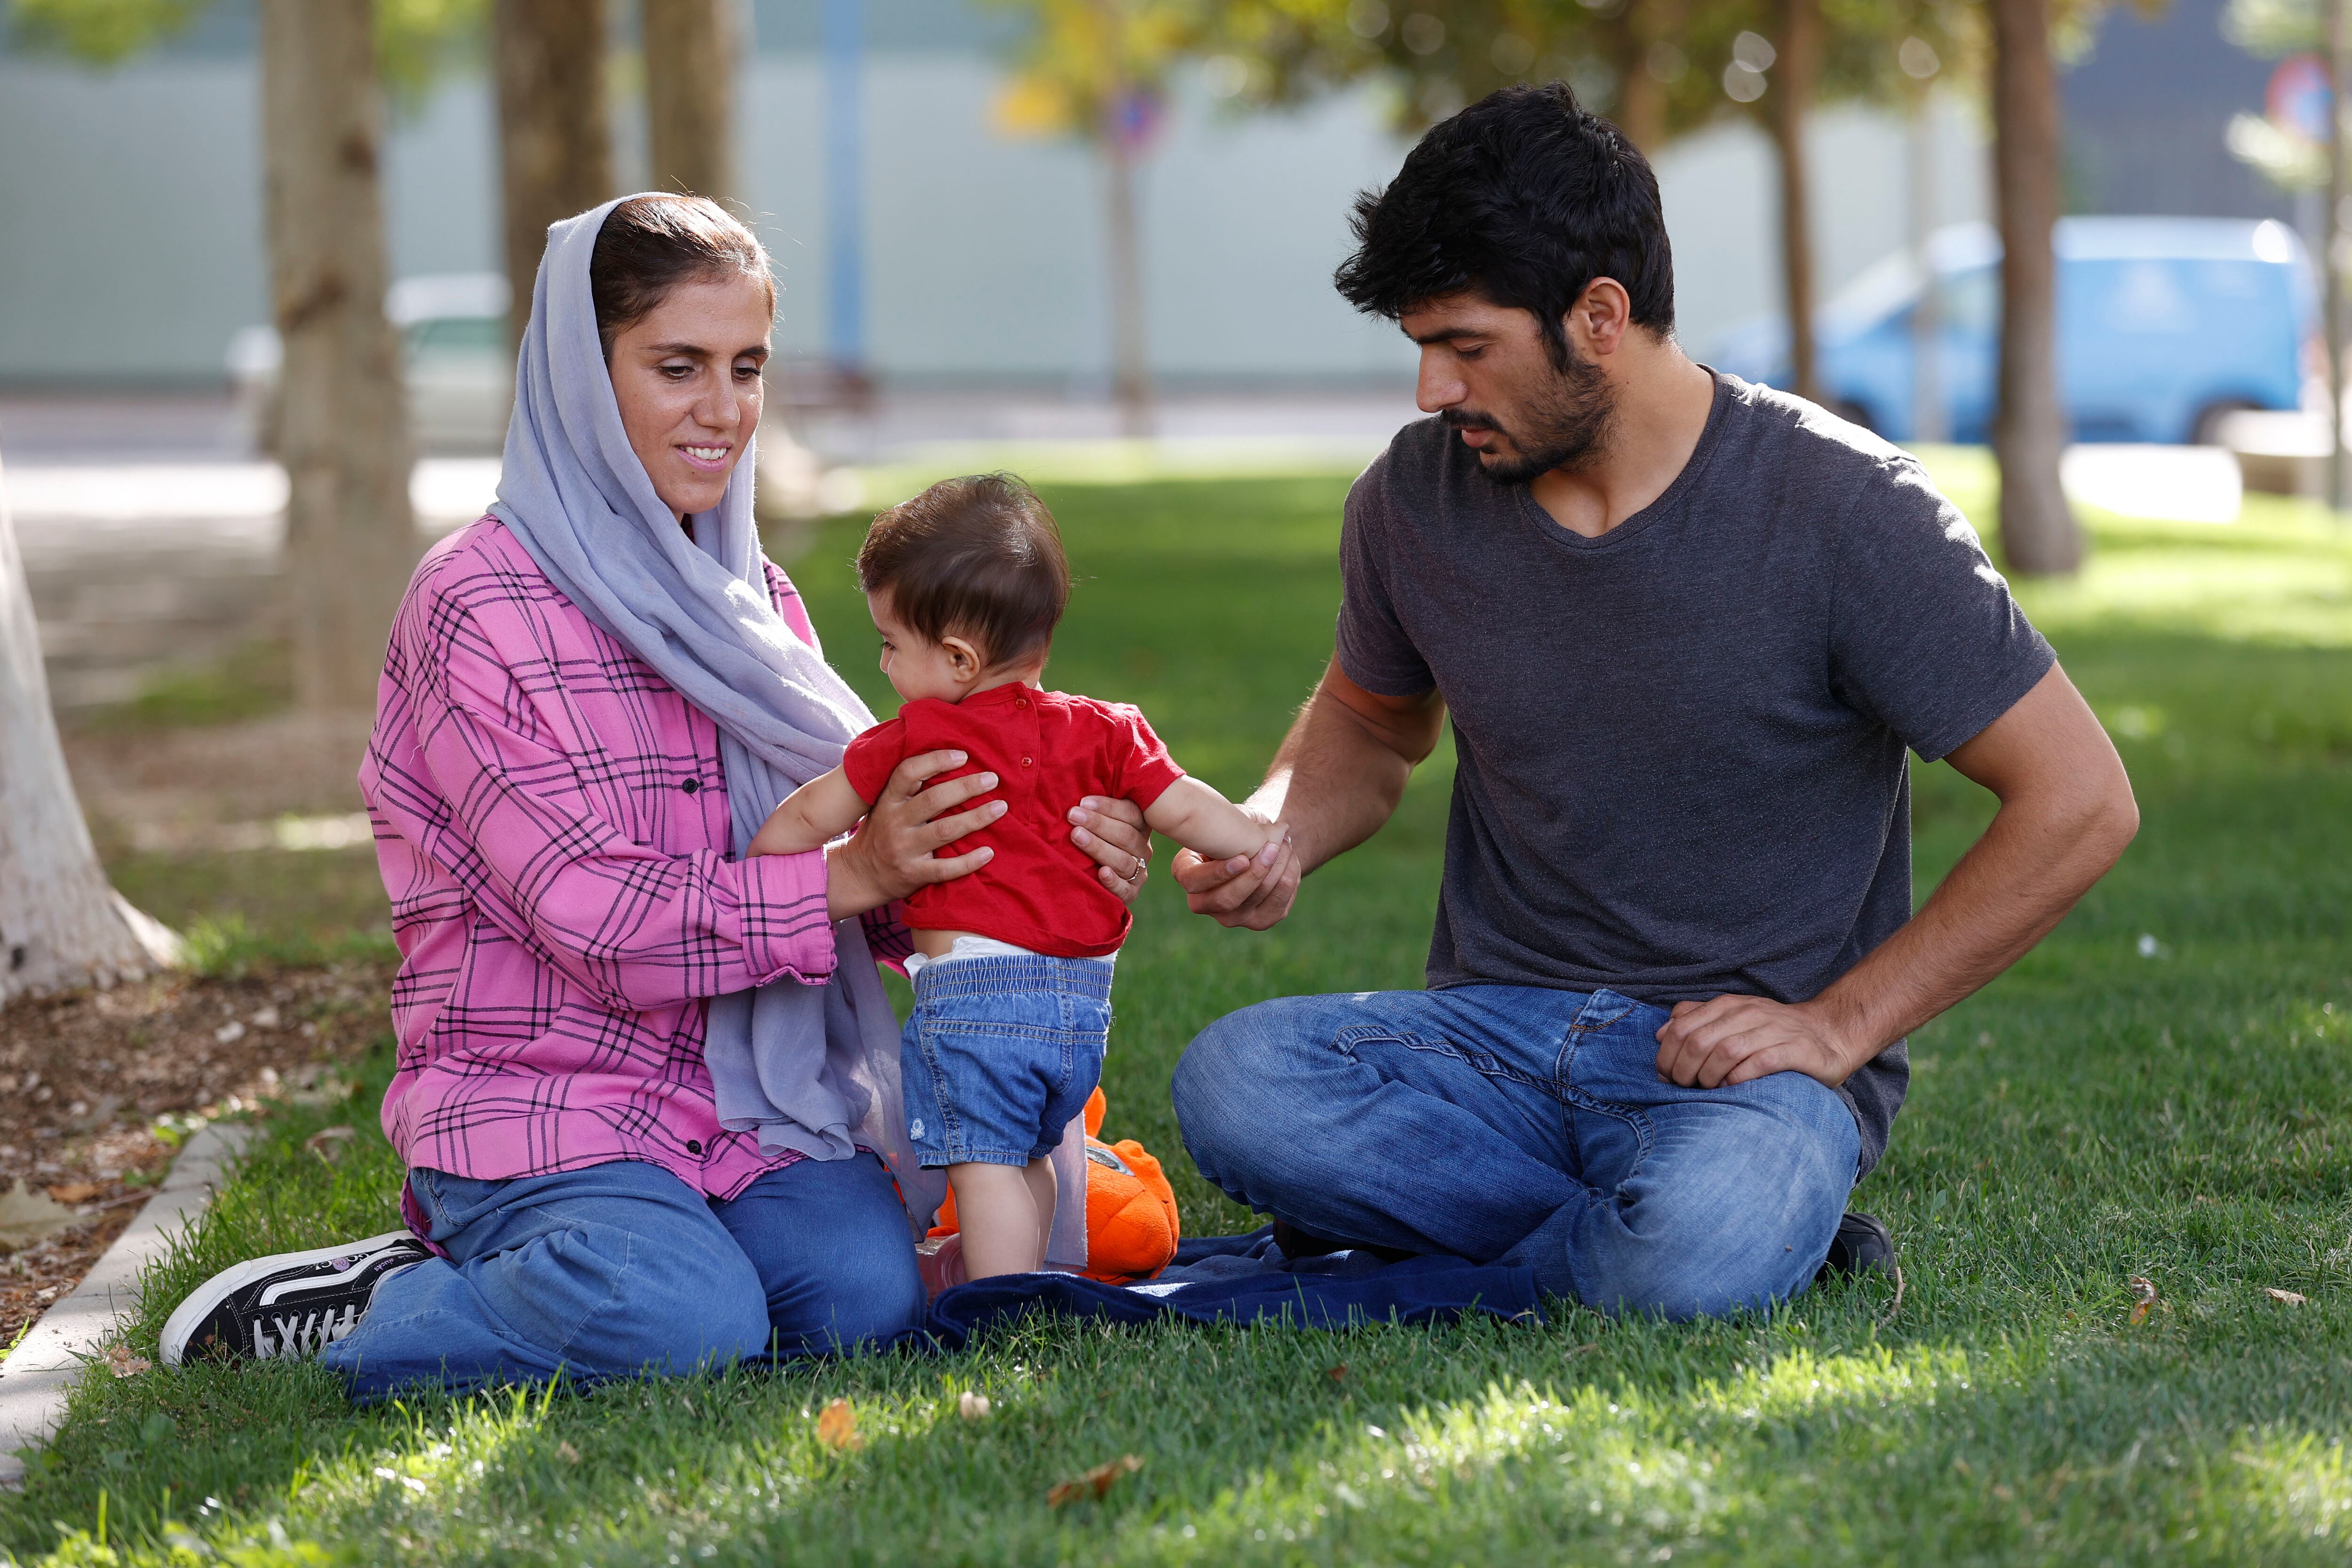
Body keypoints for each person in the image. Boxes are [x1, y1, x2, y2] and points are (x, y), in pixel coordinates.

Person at [158, 195, 1158, 1394]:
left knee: (867, 1299)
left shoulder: (752, 598)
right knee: (684, 1322)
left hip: (744, 1100)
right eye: (676, 366)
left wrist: (1027, 852)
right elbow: (591, 913)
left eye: (746, 368)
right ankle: (401, 1291)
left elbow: (878, 859)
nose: (723, 410)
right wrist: (858, 871)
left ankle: (596, 1264)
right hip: (540, 1099)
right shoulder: (478, 604)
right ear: (584, 373)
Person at [1168, 84, 2139, 1319]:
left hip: (1739, 1064)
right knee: (1236, 1079)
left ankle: (1595, 1234)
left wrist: (1838, 1026)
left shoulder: (1847, 510)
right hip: (1488, 1040)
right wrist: (1281, 827)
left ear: (1601, 316)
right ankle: (1651, 1240)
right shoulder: (1413, 501)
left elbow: (2081, 796)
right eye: (1421, 347)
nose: (1430, 390)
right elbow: (1370, 721)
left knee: (1699, 1232)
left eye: (1468, 346)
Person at [752, 474, 1273, 1280]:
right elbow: (1186, 807)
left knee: (983, 1163)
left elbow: (815, 813)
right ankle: (1034, 1277)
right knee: (1027, 1148)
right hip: (1080, 1009)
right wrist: (1253, 838)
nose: (885, 662)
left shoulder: (916, 736)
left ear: (958, 659)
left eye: (892, 643)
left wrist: (761, 856)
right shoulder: (1108, 730)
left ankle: (998, 1299)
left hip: (973, 1002)